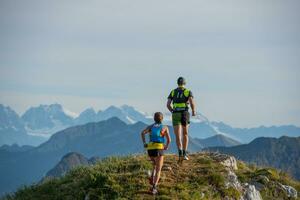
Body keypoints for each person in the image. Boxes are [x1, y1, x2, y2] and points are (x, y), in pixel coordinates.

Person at [167, 77, 196, 163]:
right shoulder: (187, 91)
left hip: (175, 113)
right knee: (185, 134)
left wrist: (173, 111)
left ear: (177, 83)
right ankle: (184, 153)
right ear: (185, 83)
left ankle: (180, 153)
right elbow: (191, 102)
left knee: (177, 135)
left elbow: (168, 104)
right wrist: (193, 111)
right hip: (185, 113)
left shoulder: (173, 92)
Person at [141, 112, 171, 195]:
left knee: (154, 164)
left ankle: (151, 177)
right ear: (162, 119)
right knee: (159, 169)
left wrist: (144, 143)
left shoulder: (150, 127)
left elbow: (142, 133)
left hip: (150, 148)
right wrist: (166, 146)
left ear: (154, 119)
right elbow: (169, 140)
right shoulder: (165, 127)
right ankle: (154, 187)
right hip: (159, 148)